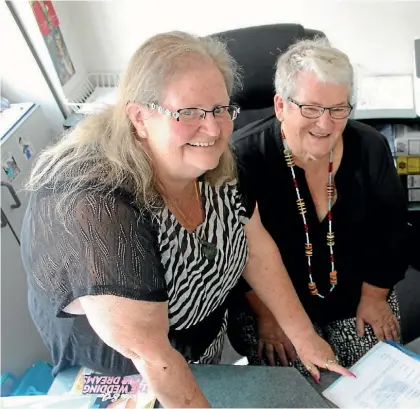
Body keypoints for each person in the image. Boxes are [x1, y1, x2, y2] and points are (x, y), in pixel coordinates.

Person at [21, 31, 351, 409]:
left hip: (195, 346)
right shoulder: (98, 209)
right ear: (140, 117)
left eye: (220, 109)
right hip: (126, 375)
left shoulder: (217, 160)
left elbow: (254, 246)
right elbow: (154, 358)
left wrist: (304, 336)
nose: (212, 129)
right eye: (188, 113)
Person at [228, 37, 409, 374]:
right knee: (295, 389)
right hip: (272, 304)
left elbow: (392, 232)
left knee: (375, 377)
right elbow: (239, 253)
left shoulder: (369, 146)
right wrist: (267, 316)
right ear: (280, 106)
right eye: (310, 108)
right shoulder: (242, 158)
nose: (326, 125)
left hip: (358, 290)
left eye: (338, 109)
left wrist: (375, 296)